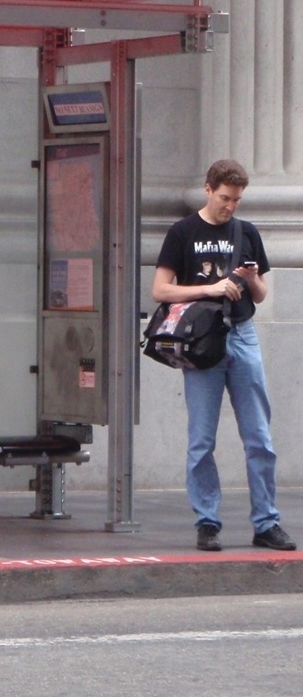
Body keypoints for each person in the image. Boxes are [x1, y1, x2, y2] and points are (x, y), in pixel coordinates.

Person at [151, 158, 295, 552]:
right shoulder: (183, 232)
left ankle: (266, 522)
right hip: (202, 340)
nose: (230, 206)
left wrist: (250, 280)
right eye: (225, 198)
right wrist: (210, 288)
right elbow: (161, 290)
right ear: (208, 189)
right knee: (202, 438)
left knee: (259, 437)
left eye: (237, 200)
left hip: (243, 334)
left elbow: (262, 294)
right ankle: (207, 521)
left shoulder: (245, 232)